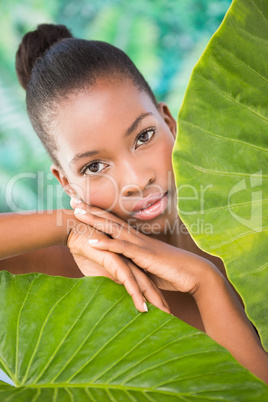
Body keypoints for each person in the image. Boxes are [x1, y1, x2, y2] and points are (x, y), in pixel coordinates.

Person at [0, 23, 267, 383]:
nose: (137, 181)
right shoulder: (66, 271)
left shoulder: (252, 223)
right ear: (65, 182)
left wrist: (207, 282)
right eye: (94, 166)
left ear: (169, 122)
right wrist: (68, 226)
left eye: (143, 136)